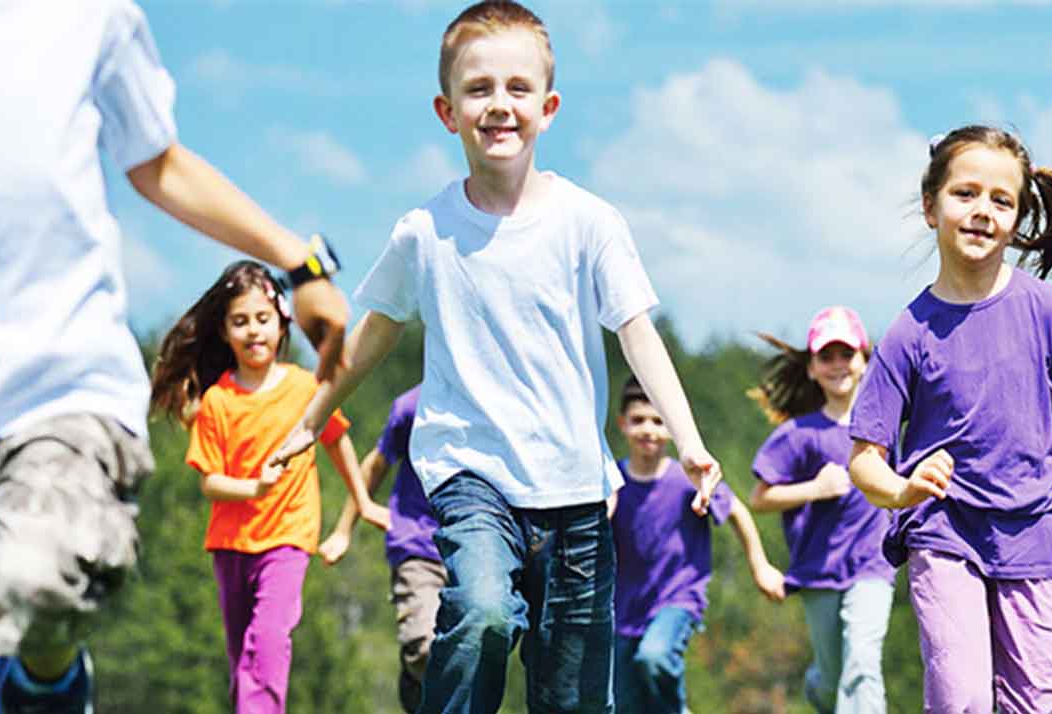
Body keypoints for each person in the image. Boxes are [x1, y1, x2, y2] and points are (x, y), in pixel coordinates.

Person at [0, 1, 351, 709]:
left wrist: (300, 264)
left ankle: (40, 682)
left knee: (37, 584)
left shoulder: (88, 13)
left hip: (61, 387)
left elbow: (158, 162)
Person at [269, 3, 724, 711]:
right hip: (470, 472)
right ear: (447, 112)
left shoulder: (589, 222)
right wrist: (310, 419)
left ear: (548, 107)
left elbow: (637, 334)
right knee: (481, 613)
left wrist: (689, 442)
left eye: (517, 88)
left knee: (571, 695)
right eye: (478, 89)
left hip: (574, 487)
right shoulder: (424, 232)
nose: (499, 104)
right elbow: (374, 334)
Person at [848, 124, 1052, 713]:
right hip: (944, 530)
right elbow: (865, 460)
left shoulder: (1049, 311)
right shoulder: (909, 333)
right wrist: (904, 491)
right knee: (961, 697)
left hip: (1036, 531)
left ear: (1017, 220)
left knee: (1041, 704)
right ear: (930, 207)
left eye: (1001, 200)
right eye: (965, 193)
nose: (982, 211)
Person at [149, 262, 382, 713]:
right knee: (243, 659)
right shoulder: (218, 401)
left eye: (262, 319)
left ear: (282, 323)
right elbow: (211, 482)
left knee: (269, 640)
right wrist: (253, 488)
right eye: (240, 321)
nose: (253, 331)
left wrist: (362, 501)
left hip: (287, 540)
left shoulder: (305, 387)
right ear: (224, 331)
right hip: (231, 545)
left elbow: (336, 440)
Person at [745, 307, 895, 713]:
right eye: (826, 357)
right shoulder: (798, 434)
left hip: (873, 565)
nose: (837, 364)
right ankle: (820, 685)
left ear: (865, 360)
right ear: (812, 369)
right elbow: (760, 498)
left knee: (862, 662)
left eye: (847, 354)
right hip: (819, 569)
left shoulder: (884, 427)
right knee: (833, 680)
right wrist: (815, 489)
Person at [611, 378, 786, 712]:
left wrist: (760, 566)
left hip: (677, 598)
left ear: (671, 428)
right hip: (624, 609)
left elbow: (737, 511)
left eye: (658, 421)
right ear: (622, 424)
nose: (648, 430)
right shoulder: (614, 482)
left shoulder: (685, 479)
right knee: (625, 705)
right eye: (638, 420)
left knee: (655, 656)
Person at [318, 385, 441, 713]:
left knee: (477, 645)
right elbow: (376, 464)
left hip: (482, 548)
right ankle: (415, 680)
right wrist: (344, 528)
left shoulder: (501, 399)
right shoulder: (412, 406)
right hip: (418, 545)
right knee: (426, 648)